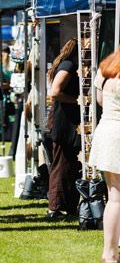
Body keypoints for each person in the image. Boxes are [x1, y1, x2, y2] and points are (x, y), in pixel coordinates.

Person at [90, 49, 120, 262]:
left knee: (113, 197)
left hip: (106, 130)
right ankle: (110, 252)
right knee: (115, 198)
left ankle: (109, 251)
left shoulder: (105, 67)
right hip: (117, 133)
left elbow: (100, 100)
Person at [47, 37, 81, 220]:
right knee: (62, 162)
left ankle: (68, 205)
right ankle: (55, 207)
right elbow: (55, 91)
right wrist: (78, 101)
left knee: (69, 163)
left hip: (68, 119)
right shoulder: (68, 65)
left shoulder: (69, 64)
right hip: (64, 120)